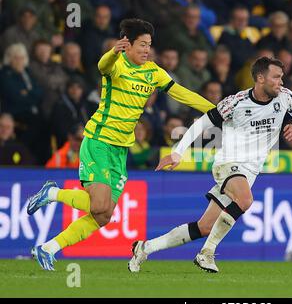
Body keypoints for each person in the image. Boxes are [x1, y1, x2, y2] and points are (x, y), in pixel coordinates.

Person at [26, 18, 216, 271]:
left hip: (120, 150)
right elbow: (102, 65)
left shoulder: (154, 72)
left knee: (103, 216)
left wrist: (215, 110)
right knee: (99, 205)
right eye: (142, 45)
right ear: (127, 45)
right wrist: (112, 52)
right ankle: (51, 193)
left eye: (149, 45)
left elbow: (181, 93)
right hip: (99, 141)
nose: (147, 50)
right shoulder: (116, 65)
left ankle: (47, 249)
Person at [128, 57, 292, 273]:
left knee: (204, 227)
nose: (281, 81)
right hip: (228, 163)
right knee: (245, 200)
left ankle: (145, 247)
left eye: (282, 77)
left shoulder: (285, 97)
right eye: (276, 77)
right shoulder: (236, 103)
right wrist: (178, 152)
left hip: (251, 171)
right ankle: (206, 254)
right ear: (260, 78)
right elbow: (201, 124)